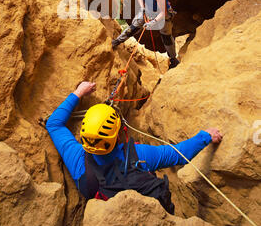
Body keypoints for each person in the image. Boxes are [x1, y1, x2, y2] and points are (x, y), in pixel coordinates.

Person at [46, 82, 223, 212]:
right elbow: (178, 155)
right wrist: (205, 136)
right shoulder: (140, 154)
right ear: (119, 133)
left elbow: (54, 124)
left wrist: (77, 93)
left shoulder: (77, 162)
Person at [112, 0, 180, 69]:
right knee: (134, 27)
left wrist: (153, 22)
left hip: (162, 14)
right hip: (148, 8)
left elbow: (163, 13)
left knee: (166, 37)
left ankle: (173, 59)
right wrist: (143, 8)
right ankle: (117, 41)